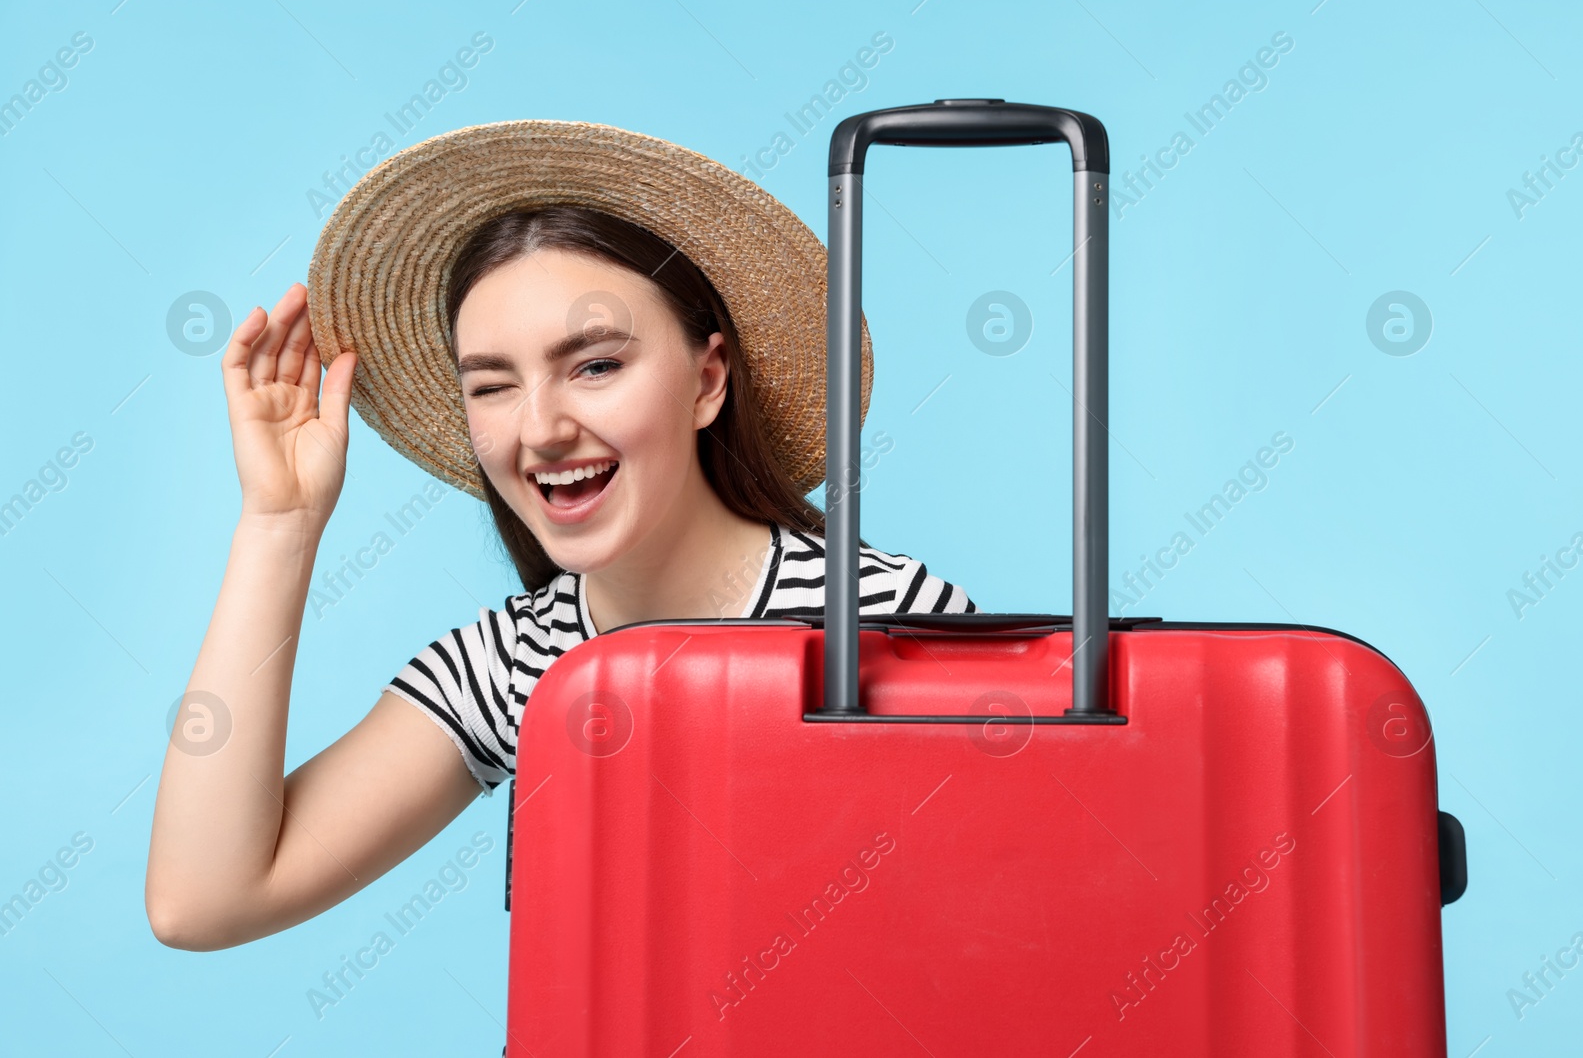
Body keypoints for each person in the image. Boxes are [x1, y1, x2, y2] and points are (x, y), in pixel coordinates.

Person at [145, 120, 979, 952]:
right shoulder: (512, 666)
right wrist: (278, 523)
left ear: (707, 381)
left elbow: (1000, 918)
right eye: (494, 385)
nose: (540, 430)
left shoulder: (885, 616)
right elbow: (204, 898)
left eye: (596, 366)